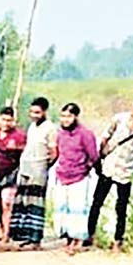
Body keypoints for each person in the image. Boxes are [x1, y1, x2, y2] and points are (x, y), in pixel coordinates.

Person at [88, 95, 133, 251]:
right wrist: (99, 159)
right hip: (109, 168)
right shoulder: (119, 120)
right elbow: (105, 138)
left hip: (126, 172)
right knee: (97, 202)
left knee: (121, 208)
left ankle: (118, 241)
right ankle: (90, 235)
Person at [49, 103, 99, 251]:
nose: (65, 119)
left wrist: (87, 168)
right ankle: (68, 239)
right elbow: (58, 153)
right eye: (63, 116)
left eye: (69, 116)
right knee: (63, 209)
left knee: (77, 209)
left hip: (79, 176)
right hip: (62, 175)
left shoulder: (85, 134)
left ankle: (77, 241)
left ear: (76, 117)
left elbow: (93, 156)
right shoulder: (60, 133)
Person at [10, 97, 56, 246]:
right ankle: (24, 235)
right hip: (25, 167)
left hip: (38, 169)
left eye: (37, 112)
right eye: (31, 112)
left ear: (44, 112)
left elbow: (54, 152)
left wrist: (44, 165)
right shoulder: (32, 126)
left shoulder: (50, 128)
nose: (33, 115)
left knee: (36, 202)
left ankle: (35, 238)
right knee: (23, 201)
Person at [0, 107, 26, 242]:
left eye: (9, 120)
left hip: (11, 173)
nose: (6, 123)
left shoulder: (19, 136)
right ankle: (2, 230)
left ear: (14, 121)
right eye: (4, 120)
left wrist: (16, 148)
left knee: (7, 203)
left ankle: (6, 235)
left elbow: (26, 152)